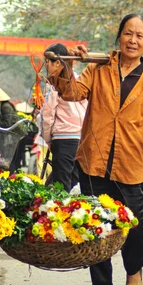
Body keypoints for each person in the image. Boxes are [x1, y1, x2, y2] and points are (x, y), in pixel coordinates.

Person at [47, 13, 143, 285]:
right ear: (119, 36)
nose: (133, 40)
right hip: (94, 158)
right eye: (128, 33)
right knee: (97, 226)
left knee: (134, 227)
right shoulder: (99, 67)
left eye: (139, 36)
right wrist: (69, 65)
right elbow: (72, 93)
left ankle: (134, 271)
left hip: (131, 162)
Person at [41, 43, 87, 192]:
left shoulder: (54, 84)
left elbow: (47, 116)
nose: (45, 66)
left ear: (58, 63)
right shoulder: (81, 81)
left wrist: (48, 140)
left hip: (63, 140)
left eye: (47, 62)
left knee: (62, 189)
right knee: (77, 187)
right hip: (81, 141)